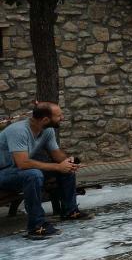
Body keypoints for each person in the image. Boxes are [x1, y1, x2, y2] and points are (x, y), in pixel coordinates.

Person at [0, 102, 91, 239]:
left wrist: (68, 161)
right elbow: (23, 163)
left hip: (18, 170)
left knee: (66, 168)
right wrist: (57, 166)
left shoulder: (47, 130)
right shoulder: (18, 131)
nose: (63, 118)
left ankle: (70, 211)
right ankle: (36, 226)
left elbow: (56, 155)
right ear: (45, 120)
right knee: (33, 175)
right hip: (4, 173)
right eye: (59, 116)